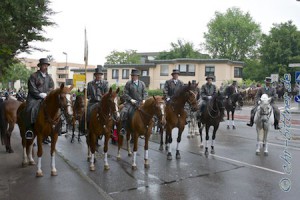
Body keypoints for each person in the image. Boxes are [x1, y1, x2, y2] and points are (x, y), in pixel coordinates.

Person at [26, 58, 54, 143]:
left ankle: (51, 131)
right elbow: (32, 88)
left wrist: (47, 94)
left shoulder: (49, 77)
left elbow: (52, 87)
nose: (45, 67)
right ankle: (29, 130)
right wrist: (39, 95)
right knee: (31, 109)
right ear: (40, 66)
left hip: (46, 98)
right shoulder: (33, 76)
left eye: (46, 65)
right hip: (34, 98)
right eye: (44, 65)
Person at [120, 69, 148, 135]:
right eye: (132, 76)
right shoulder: (128, 83)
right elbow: (125, 94)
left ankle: (146, 128)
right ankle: (123, 128)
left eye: (135, 76)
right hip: (130, 102)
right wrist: (131, 100)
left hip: (140, 102)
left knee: (148, 112)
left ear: (137, 76)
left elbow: (145, 92)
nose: (133, 77)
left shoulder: (142, 83)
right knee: (124, 112)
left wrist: (144, 99)